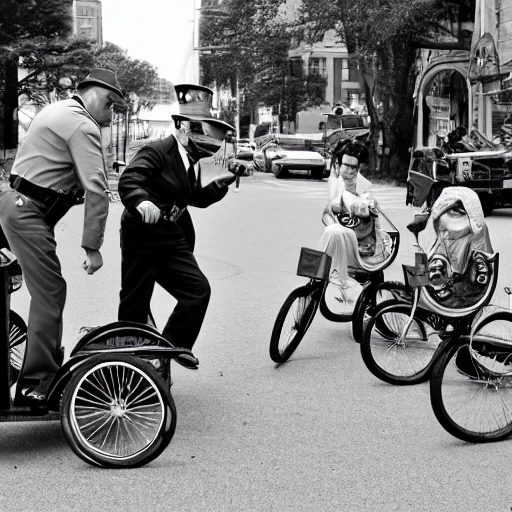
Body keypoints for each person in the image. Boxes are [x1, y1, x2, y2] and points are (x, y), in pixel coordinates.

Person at [0, 68, 124, 405]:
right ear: (95, 94)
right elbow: (96, 187)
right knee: (51, 292)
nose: (110, 116)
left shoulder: (57, 109)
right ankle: (36, 383)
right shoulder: (82, 124)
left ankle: (33, 369)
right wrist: (92, 247)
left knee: (24, 288)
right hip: (28, 213)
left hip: (17, 204)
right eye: (110, 105)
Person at [117, 84, 237, 369]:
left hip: (171, 237)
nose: (208, 140)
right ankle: (126, 368)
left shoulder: (190, 159)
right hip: (142, 236)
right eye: (202, 131)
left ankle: (172, 345)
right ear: (183, 127)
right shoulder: (157, 151)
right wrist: (141, 201)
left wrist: (222, 183)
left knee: (197, 291)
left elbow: (195, 197)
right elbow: (130, 180)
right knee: (135, 305)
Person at [317, 140, 391, 308]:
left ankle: (342, 282)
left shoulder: (364, 186)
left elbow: (370, 211)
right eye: (346, 165)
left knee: (338, 232)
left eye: (354, 167)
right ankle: (325, 276)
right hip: (342, 238)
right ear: (338, 163)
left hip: (363, 245)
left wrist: (367, 206)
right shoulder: (335, 180)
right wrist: (332, 225)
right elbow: (327, 213)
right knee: (333, 232)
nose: (350, 171)